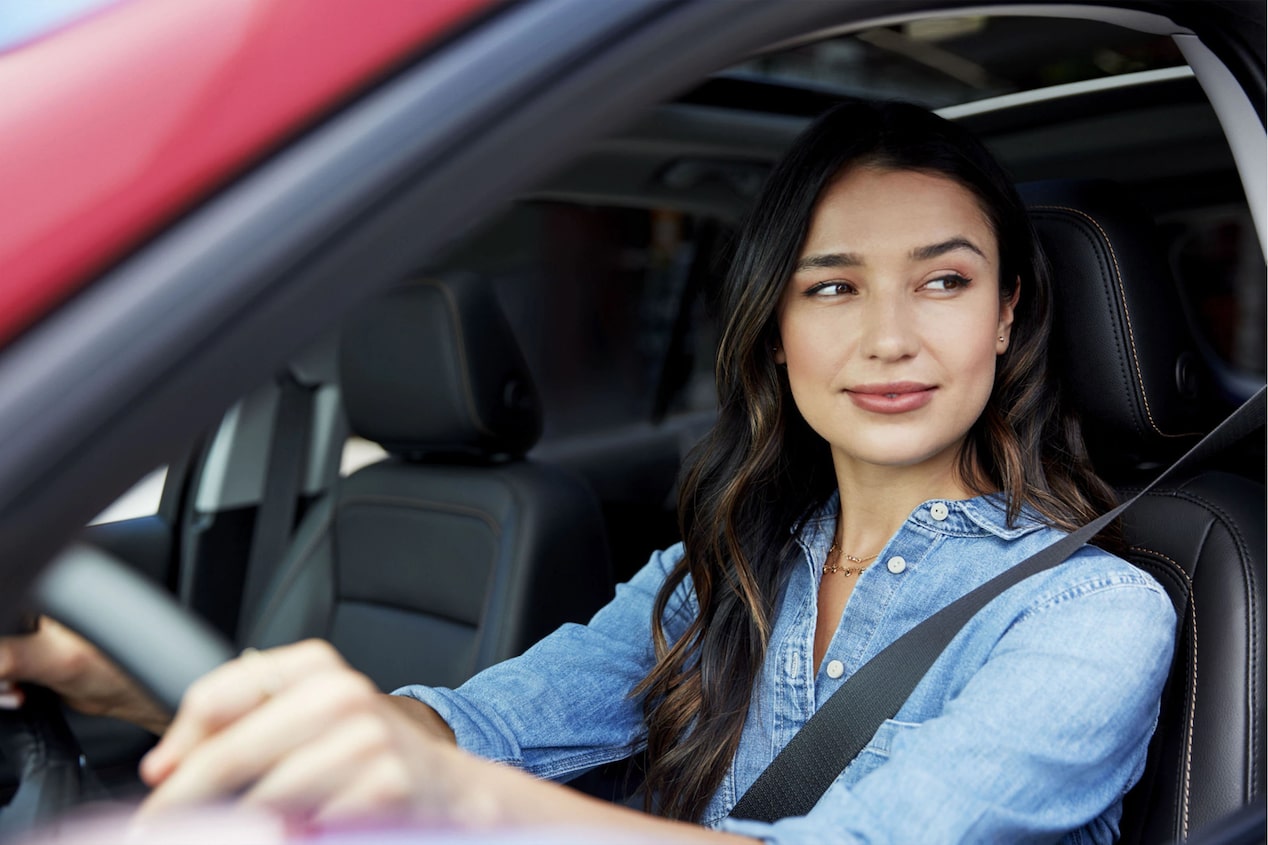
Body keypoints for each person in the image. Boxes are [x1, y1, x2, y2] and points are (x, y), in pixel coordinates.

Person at [0, 99, 1175, 843]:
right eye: (830, 286)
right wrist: (115, 679)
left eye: (942, 280)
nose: (886, 338)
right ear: (775, 328)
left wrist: (459, 802)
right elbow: (471, 729)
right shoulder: (710, 575)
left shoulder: (1089, 614)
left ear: (1009, 314)